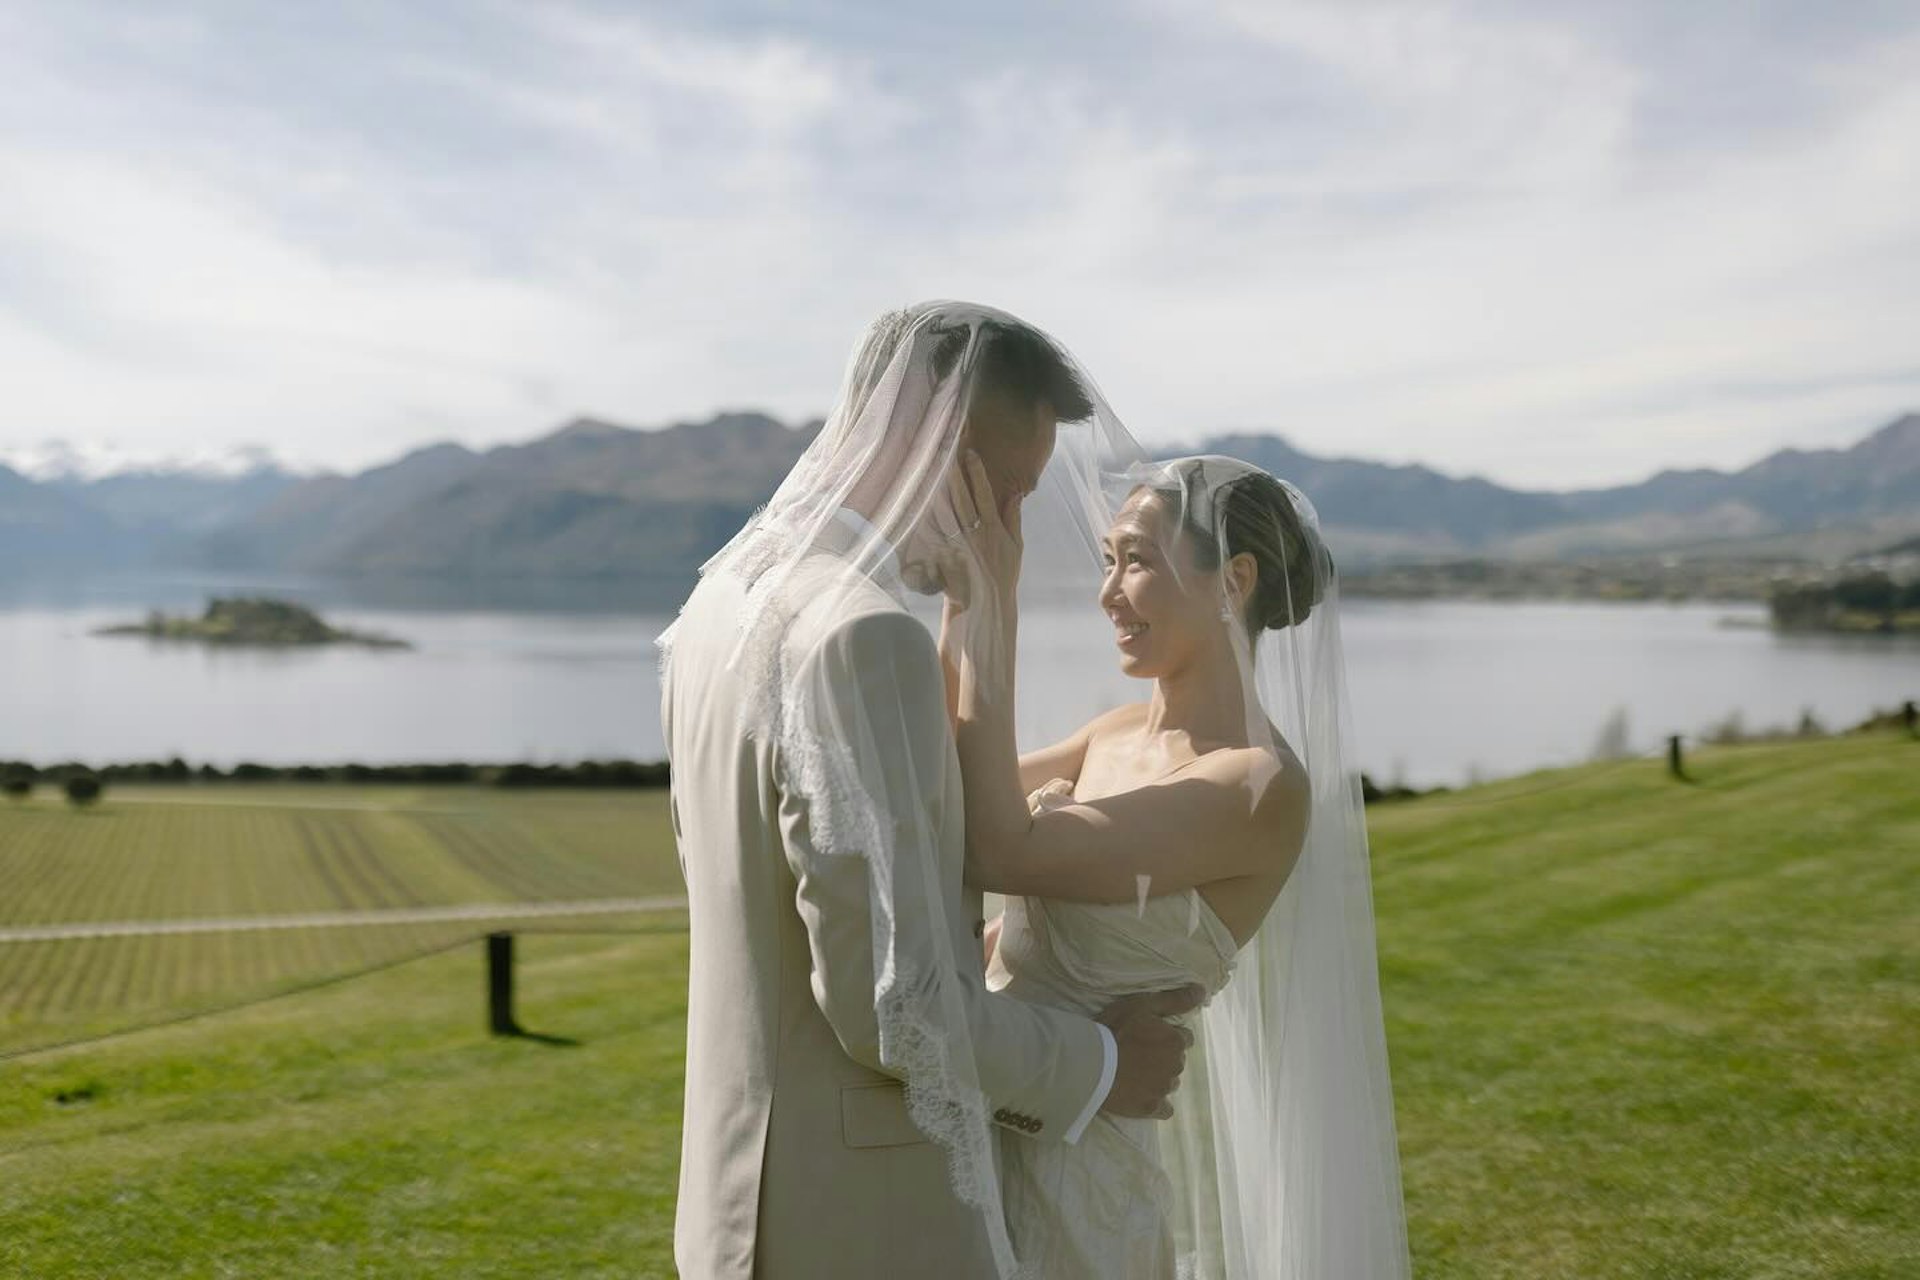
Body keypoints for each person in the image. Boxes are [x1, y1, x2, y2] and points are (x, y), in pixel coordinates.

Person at [659, 301, 1200, 1280]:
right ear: (931, 439)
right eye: (1010, 488)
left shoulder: (718, 601)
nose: (1009, 524)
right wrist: (1104, 1063)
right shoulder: (863, 636)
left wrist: (978, 611)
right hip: (861, 1216)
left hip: (736, 1193)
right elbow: (894, 1007)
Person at [944, 454, 1413, 1278]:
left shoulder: (1255, 784)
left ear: (1234, 580)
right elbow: (943, 798)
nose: (1108, 592)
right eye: (1107, 561)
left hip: (1075, 1187)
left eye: (1136, 561)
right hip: (971, 1137)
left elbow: (998, 847)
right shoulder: (1113, 732)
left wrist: (990, 598)